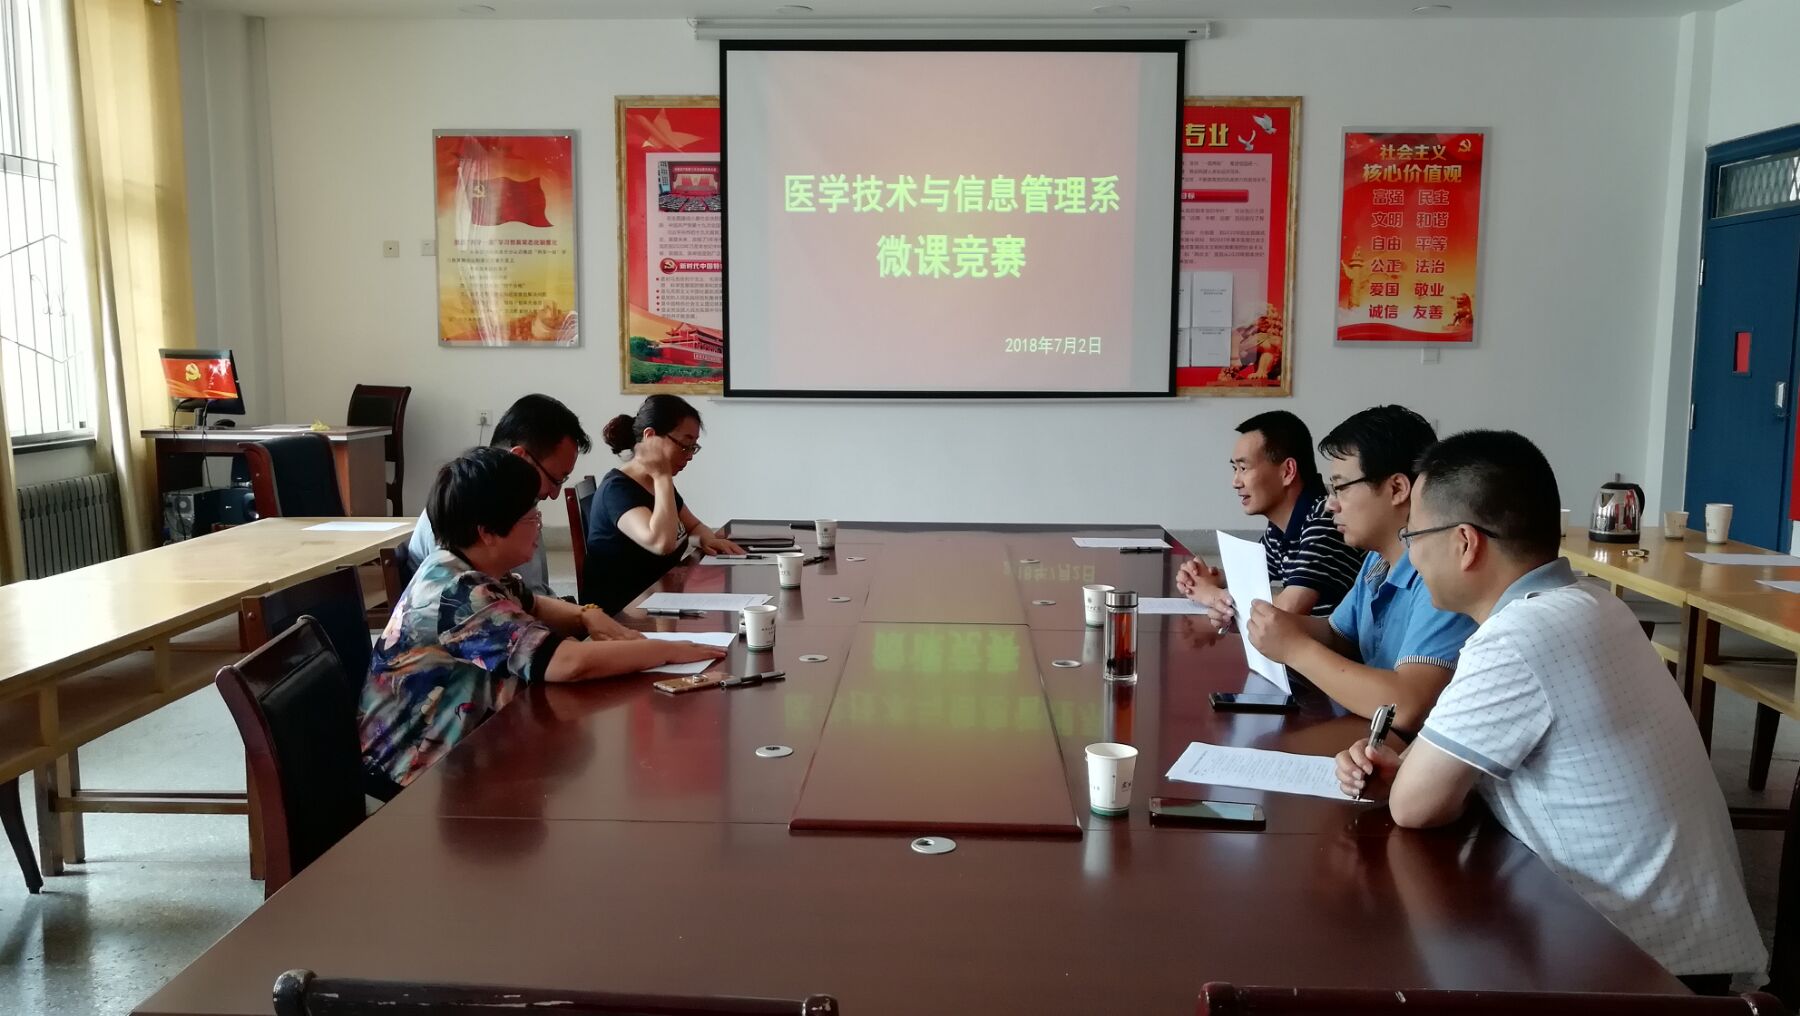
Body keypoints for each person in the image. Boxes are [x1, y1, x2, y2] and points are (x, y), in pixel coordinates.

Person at [1334, 430, 1765, 989]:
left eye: (1413, 534)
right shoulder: (1592, 603)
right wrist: (1412, 766)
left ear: (1465, 543)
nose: (1410, 552)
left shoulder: (1518, 636)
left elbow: (1415, 805)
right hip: (1687, 945)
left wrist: (1411, 773)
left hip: (1640, 970)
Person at [361, 447, 726, 797]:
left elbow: (533, 603)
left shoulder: (469, 566)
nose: (539, 525)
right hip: (414, 772)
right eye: (530, 516)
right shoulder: (457, 593)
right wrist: (665, 650)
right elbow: (568, 663)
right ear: (487, 531)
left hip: (469, 747)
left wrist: (587, 616)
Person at [1244, 406, 1476, 730]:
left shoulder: (1438, 578)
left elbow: (1406, 706)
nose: (1330, 504)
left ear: (1397, 489)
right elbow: (1339, 635)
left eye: (1341, 488)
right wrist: (1271, 623)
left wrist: (1295, 649)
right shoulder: (1377, 561)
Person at [1179, 411, 1363, 625]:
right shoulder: (1281, 526)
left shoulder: (1326, 521)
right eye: (1235, 469)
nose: (1235, 482)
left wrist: (1213, 596)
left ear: (1287, 471)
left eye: (1243, 468)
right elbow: (1250, 577)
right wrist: (1210, 578)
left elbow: (1284, 611)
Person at [404, 394, 588, 598]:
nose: (554, 494)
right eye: (555, 479)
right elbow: (507, 604)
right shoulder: (468, 511)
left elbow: (529, 596)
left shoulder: (513, 505)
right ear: (520, 458)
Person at [583, 395, 744, 614]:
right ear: (650, 437)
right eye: (685, 445)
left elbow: (694, 526)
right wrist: (662, 477)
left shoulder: (656, 484)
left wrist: (708, 539)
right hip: (624, 615)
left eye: (693, 447)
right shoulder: (618, 490)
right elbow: (661, 543)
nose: (689, 456)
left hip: (659, 602)